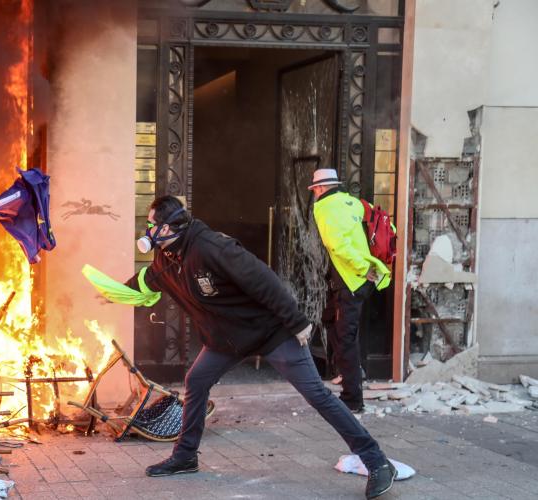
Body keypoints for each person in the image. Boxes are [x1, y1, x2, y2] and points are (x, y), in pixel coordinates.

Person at [122, 195, 396, 499]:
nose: (147, 230)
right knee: (196, 381)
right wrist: (119, 292)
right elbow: (150, 280)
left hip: (271, 332)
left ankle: (376, 461)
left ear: (171, 227)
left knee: (317, 394)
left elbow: (263, 280)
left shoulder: (213, 248)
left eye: (152, 224)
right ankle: (185, 456)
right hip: (228, 339)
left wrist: (296, 322)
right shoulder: (167, 257)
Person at [308, 169, 391, 413]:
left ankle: (352, 398)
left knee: (345, 337)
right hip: (355, 280)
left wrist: (363, 267)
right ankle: (346, 374)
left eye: (314, 190)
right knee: (331, 323)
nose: (314, 194)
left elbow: (338, 245)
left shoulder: (325, 208)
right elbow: (382, 221)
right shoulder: (352, 202)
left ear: (320, 189)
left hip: (352, 281)